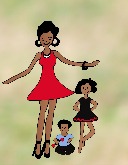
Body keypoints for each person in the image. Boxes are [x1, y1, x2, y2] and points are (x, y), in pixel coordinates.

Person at [3, 22, 98, 160]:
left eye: (49, 38)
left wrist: (86, 64)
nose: (46, 41)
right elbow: (27, 71)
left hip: (53, 85)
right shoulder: (38, 55)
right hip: (43, 85)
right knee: (42, 116)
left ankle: (47, 145)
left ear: (53, 39)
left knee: (50, 117)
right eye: (43, 38)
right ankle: (37, 144)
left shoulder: (55, 53)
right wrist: (11, 79)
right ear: (39, 39)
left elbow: (70, 62)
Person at [69, 79, 98, 153]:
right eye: (84, 88)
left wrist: (90, 110)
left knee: (91, 131)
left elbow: (95, 104)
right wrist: (80, 111)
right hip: (83, 114)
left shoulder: (88, 99)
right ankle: (80, 145)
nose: (86, 90)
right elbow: (75, 106)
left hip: (86, 114)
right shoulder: (81, 99)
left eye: (87, 88)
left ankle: (83, 140)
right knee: (82, 131)